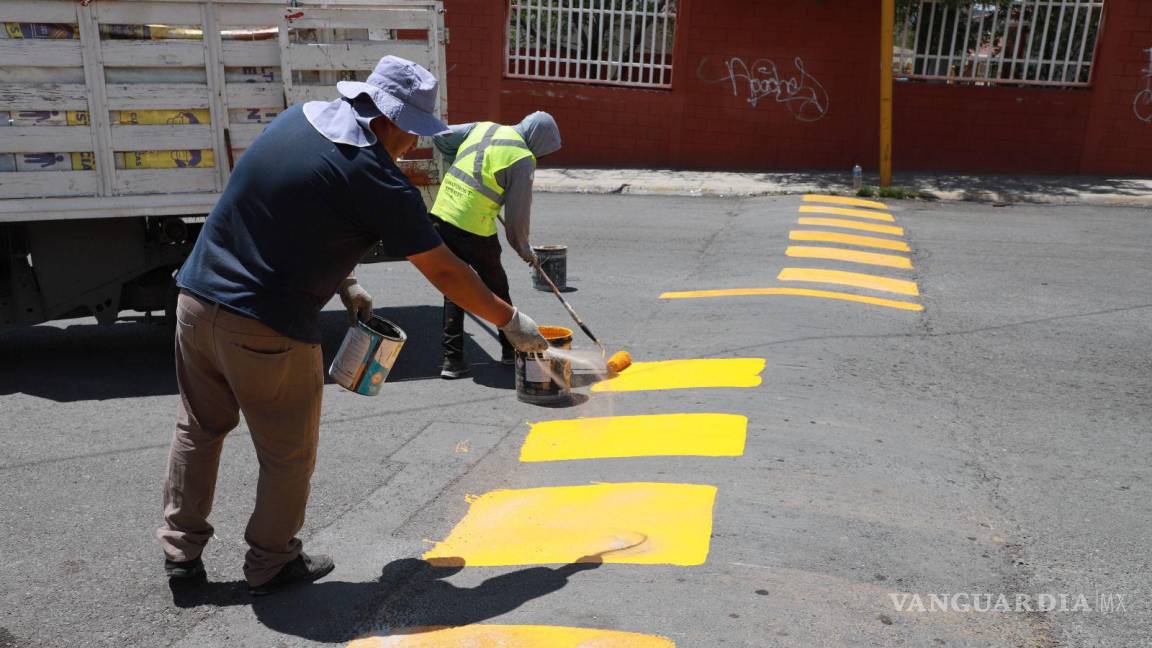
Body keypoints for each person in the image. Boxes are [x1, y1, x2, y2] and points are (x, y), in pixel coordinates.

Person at [157, 56, 548, 596]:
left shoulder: (299, 119)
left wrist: (347, 284)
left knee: (198, 430)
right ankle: (271, 563)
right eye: (411, 131)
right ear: (388, 119)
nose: (412, 144)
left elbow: (287, 210)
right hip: (266, 325)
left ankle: (180, 554)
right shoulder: (376, 178)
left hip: (196, 301)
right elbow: (444, 270)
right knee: (287, 453)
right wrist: (511, 321)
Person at [428, 112, 562, 379]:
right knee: (496, 286)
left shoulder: (484, 127)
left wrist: (455, 159)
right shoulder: (522, 158)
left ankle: (451, 361)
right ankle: (510, 351)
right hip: (473, 225)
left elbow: (440, 135)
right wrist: (525, 250)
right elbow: (517, 219)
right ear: (538, 140)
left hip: (441, 212)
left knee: (455, 285)